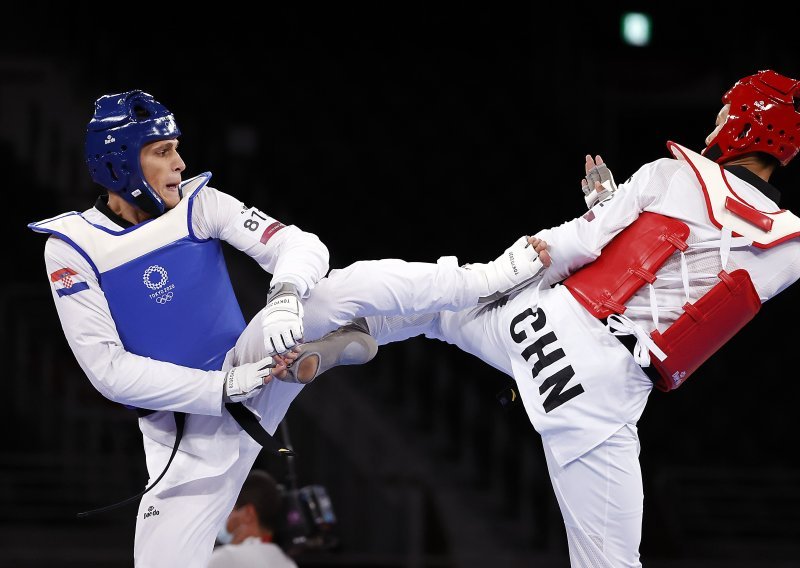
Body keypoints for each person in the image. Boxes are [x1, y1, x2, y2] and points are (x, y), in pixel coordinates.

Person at [297, 69, 800, 567]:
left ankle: (357, 329)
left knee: (441, 305)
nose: (711, 130)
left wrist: (508, 269)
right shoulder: (791, 246)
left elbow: (578, 245)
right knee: (611, 563)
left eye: (721, 117)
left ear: (744, 124)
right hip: (601, 392)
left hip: (541, 324)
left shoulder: (670, 173)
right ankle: (364, 328)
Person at [28, 90, 546, 567]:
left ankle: (483, 281)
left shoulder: (199, 202)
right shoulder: (72, 246)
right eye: (162, 150)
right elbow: (108, 371)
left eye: (176, 148)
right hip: (185, 445)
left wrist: (282, 299)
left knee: (337, 290)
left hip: (249, 360)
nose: (179, 162)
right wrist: (220, 389)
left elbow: (303, 246)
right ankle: (350, 338)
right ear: (119, 160)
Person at [209, 469, 297, 568]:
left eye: (230, 509)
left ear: (248, 513)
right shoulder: (288, 563)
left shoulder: (224, 558)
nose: (227, 517)